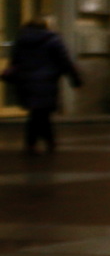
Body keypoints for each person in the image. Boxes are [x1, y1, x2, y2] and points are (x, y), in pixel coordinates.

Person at [5, 18, 83, 156]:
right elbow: (65, 62)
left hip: (26, 82)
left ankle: (40, 143)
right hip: (47, 82)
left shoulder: (21, 40)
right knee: (41, 113)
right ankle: (42, 143)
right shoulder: (53, 40)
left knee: (38, 113)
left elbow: (15, 62)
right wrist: (75, 81)